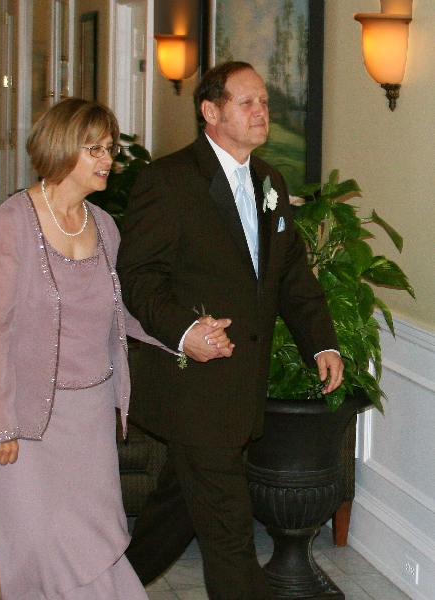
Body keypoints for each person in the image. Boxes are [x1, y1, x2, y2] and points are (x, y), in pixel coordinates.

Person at [0, 97, 233, 600]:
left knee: (48, 536)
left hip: (88, 415)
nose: (107, 160)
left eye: (110, 149)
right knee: (32, 536)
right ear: (60, 149)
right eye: (94, 149)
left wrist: (186, 332)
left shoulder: (105, 226)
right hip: (21, 414)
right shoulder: (9, 226)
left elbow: (123, 311)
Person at [117, 61, 345, 600]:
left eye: (264, 102)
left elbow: (291, 276)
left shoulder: (271, 181)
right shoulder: (168, 181)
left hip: (238, 390)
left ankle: (101, 583)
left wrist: (322, 342)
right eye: (248, 103)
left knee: (177, 508)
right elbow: (137, 277)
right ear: (211, 112)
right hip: (188, 387)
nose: (262, 112)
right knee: (229, 532)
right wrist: (184, 331)